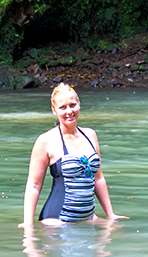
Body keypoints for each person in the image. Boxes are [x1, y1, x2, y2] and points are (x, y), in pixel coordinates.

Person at [21, 83, 127, 226]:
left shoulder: (90, 135)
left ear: (79, 105)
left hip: (88, 218)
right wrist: (28, 225)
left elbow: (99, 178)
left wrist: (110, 214)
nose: (69, 111)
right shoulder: (45, 141)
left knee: (120, 232)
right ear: (54, 110)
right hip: (57, 220)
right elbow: (34, 185)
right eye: (63, 107)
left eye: (72, 105)